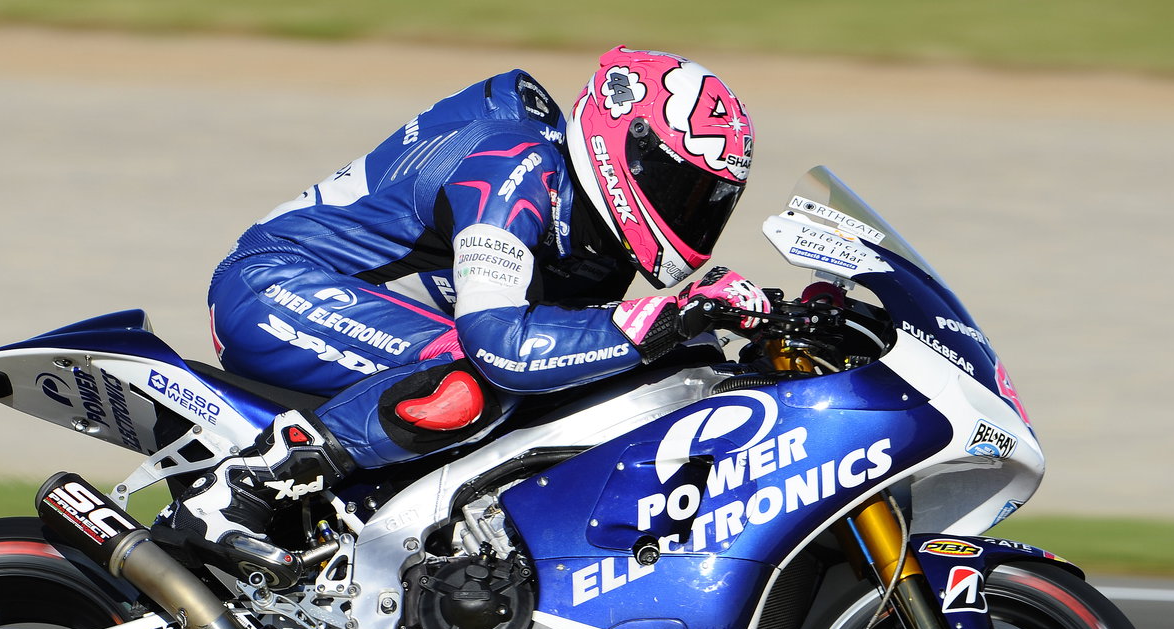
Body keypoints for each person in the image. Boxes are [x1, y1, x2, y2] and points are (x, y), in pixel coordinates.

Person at [165, 46, 770, 582]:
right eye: (677, 187)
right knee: (474, 380)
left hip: (368, 313)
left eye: (706, 202)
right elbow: (502, 347)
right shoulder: (513, 163)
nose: (687, 213)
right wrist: (671, 315)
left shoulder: (594, 240)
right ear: (624, 145)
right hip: (273, 285)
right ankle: (241, 488)